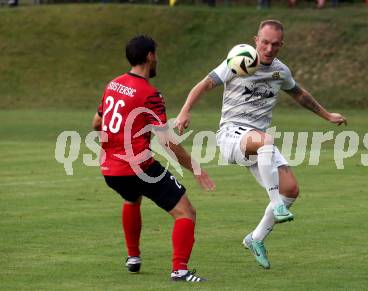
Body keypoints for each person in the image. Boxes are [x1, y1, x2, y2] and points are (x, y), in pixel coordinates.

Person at [175, 20, 347, 269]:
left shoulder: (280, 71)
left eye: (275, 44)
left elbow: (299, 93)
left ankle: (255, 239)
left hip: (257, 141)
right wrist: (184, 112)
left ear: (281, 45)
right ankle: (276, 204)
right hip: (231, 134)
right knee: (267, 143)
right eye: (264, 42)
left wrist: (328, 115)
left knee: (291, 190)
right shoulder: (238, 60)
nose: (268, 48)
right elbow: (205, 83)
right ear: (256, 39)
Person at [92, 35, 215, 282]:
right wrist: (196, 169)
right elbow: (166, 141)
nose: (157, 59)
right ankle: (180, 270)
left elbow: (97, 123)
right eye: (155, 54)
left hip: (110, 170)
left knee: (131, 198)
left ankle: (133, 257)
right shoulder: (149, 94)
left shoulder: (113, 84)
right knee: (186, 213)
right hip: (138, 168)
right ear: (149, 56)